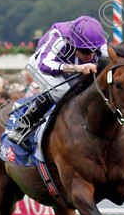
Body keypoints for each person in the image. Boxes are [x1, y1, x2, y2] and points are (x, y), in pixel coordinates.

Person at [8, 16, 107, 149]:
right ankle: (23, 126)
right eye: (85, 51)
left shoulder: (98, 40)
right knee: (61, 91)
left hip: (73, 64)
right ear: (73, 44)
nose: (90, 56)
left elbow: (108, 63)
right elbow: (45, 65)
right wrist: (78, 68)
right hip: (42, 64)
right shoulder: (60, 36)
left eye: (94, 51)